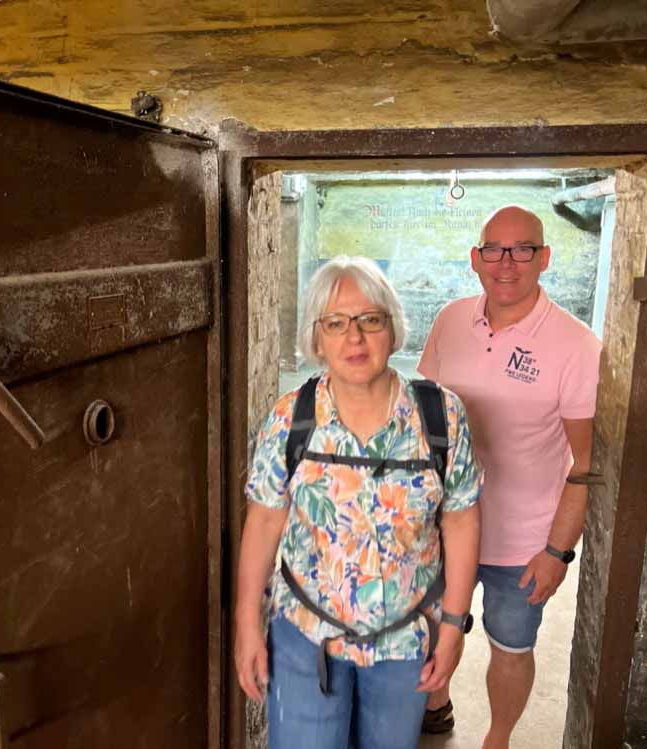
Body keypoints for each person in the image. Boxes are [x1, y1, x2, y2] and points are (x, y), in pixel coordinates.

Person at [234, 256, 483, 749]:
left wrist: (453, 624)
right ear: (317, 338)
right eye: (336, 323)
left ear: (392, 329)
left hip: (404, 637)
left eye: (370, 320)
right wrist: (246, 623)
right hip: (306, 636)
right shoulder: (291, 418)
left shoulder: (440, 416)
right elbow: (264, 521)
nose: (354, 338)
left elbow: (461, 520)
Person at [417, 206, 602, 748]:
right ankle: (436, 705)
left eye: (523, 249)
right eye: (494, 249)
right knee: (426, 626)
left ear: (544, 259)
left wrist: (558, 552)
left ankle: (497, 738)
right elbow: (425, 419)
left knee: (511, 646)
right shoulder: (450, 320)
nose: (507, 263)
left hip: (521, 542)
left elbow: (585, 465)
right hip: (442, 525)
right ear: (476, 259)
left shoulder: (575, 346)